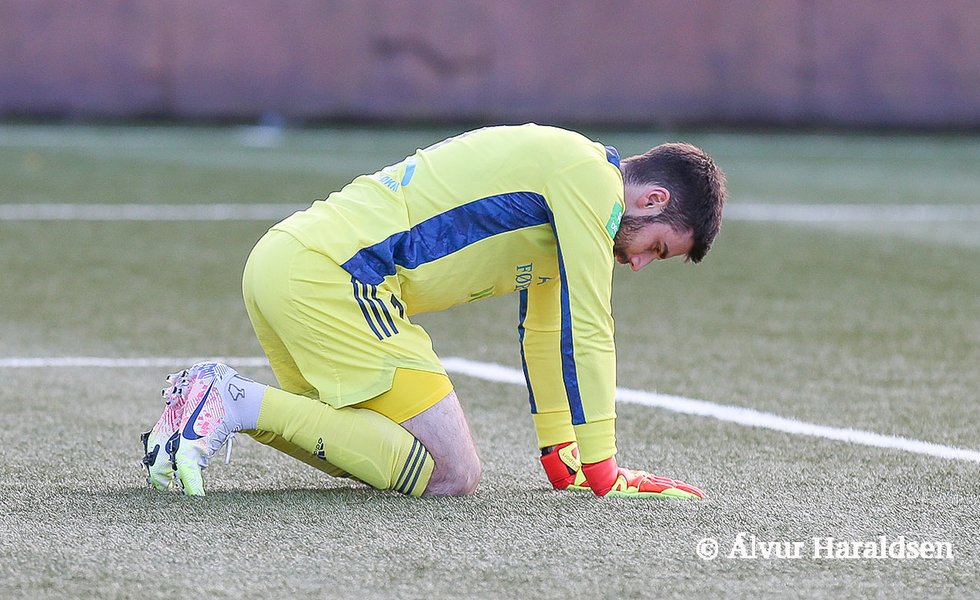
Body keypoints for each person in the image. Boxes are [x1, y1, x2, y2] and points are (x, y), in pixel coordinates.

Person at [141, 123, 726, 499]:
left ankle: (211, 407)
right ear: (653, 199)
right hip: (338, 276)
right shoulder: (591, 181)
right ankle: (228, 397)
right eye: (656, 248)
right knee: (451, 472)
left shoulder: (574, 196)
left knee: (366, 453)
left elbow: (546, 330)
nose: (640, 264)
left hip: (287, 263)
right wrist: (605, 469)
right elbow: (589, 329)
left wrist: (564, 455)